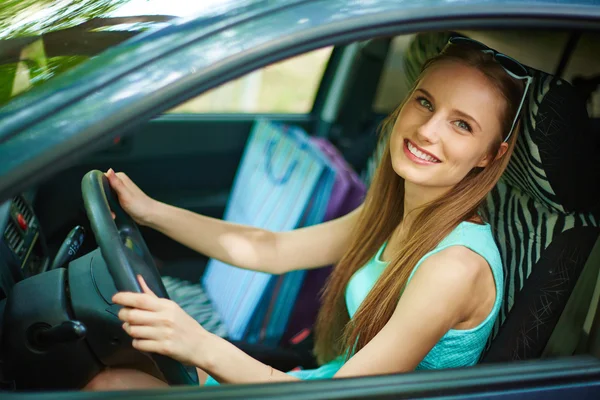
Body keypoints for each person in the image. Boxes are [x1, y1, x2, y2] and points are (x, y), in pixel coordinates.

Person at [84, 37, 530, 390]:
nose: (427, 130)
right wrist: (150, 212)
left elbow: (339, 396)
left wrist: (199, 344)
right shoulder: (396, 213)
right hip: (315, 383)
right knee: (115, 357)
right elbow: (271, 249)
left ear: (491, 155)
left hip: (326, 393)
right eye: (425, 102)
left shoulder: (454, 267)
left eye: (462, 124)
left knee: (112, 383)